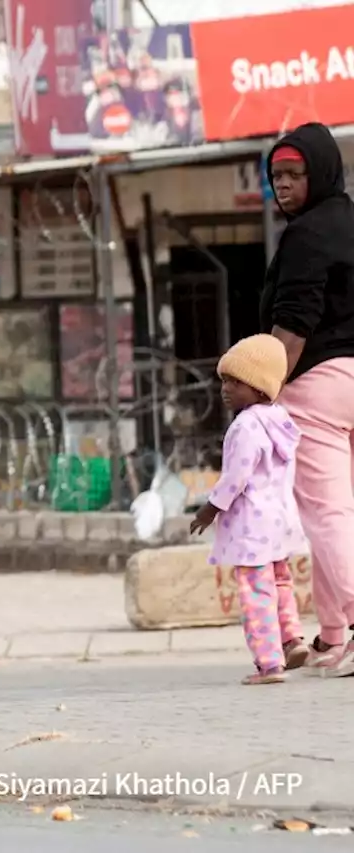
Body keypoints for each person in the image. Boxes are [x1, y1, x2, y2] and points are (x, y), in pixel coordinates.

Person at [260, 122, 354, 676]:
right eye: (277, 176)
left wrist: (260, 391)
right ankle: (334, 635)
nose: (285, 186)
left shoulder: (304, 236)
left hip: (317, 386)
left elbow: (292, 326)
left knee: (326, 515)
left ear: (318, 175)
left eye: (295, 174)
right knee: (340, 514)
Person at [190, 335, 306, 684]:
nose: (225, 388)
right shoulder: (279, 420)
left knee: (256, 593)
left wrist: (209, 509)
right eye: (224, 379)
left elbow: (235, 477)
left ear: (259, 388)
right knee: (281, 582)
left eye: (235, 382)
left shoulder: (245, 427)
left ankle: (269, 663)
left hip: (252, 528)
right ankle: (292, 639)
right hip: (280, 521)